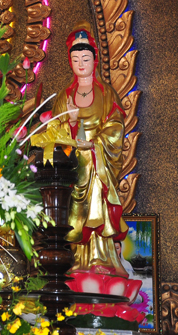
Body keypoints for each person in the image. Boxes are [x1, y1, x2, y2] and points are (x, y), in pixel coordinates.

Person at [50, 22, 129, 277]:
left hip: (98, 164)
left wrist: (94, 144)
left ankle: (102, 259)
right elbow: (54, 132)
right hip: (74, 167)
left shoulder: (106, 93)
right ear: (70, 62)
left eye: (85, 58)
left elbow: (116, 126)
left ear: (94, 60)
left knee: (98, 208)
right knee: (74, 213)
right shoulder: (64, 96)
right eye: (75, 59)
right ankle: (75, 261)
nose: (81, 64)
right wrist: (72, 124)